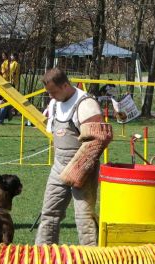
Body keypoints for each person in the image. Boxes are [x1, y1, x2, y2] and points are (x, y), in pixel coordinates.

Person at [35, 68, 113, 246]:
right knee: (49, 214)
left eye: (54, 92)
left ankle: (92, 261)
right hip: (58, 166)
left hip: (83, 167)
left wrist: (77, 169)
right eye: (49, 93)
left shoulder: (86, 104)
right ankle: (43, 257)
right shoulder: (54, 103)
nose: (51, 96)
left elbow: (98, 139)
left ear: (65, 85)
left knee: (84, 217)